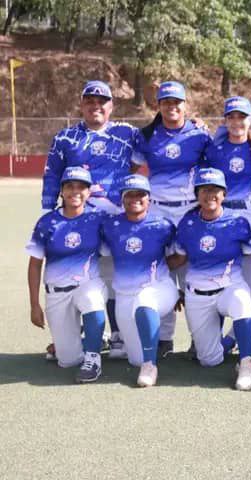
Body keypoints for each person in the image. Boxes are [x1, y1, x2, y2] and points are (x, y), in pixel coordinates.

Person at [41, 80, 138, 360]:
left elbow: (161, 134)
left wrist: (197, 124)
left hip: (116, 218)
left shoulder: (127, 133)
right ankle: (74, 336)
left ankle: (118, 335)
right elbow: (51, 175)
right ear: (81, 105)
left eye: (102, 101)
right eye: (90, 101)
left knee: (113, 276)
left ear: (111, 106)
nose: (96, 106)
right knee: (75, 275)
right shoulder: (65, 138)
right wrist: (50, 214)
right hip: (76, 220)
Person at [132, 81, 212, 357]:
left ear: (185, 105)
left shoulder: (199, 135)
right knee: (161, 271)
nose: (172, 106)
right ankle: (164, 338)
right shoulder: (147, 135)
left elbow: (213, 167)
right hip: (158, 211)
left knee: (193, 275)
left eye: (176, 102)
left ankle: (197, 338)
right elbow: (133, 170)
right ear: (159, 105)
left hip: (190, 210)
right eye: (166, 102)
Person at [171, 168, 251, 390]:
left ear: (224, 194)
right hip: (198, 294)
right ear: (197, 194)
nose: (210, 195)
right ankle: (232, 340)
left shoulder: (238, 222)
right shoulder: (187, 223)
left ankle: (247, 362)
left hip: (229, 287)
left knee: (243, 301)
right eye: (204, 190)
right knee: (209, 360)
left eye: (215, 190)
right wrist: (155, 276)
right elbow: (179, 259)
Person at [203, 96, 251, 352]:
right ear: (225, 120)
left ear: (250, 119)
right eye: (231, 117)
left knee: (250, 280)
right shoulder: (215, 150)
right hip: (220, 216)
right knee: (220, 275)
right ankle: (215, 337)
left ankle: (247, 336)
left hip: (250, 214)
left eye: (241, 116)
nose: (236, 122)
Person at [27, 167, 108, 383]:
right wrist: (34, 305)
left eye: (81, 187)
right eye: (69, 186)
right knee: (68, 360)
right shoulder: (47, 222)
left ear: (89, 192)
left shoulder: (99, 219)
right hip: (57, 292)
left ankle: (93, 358)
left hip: (87, 284)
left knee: (92, 299)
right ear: (62, 191)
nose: (75, 191)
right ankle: (90, 338)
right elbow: (35, 265)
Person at [100, 174, 178, 387]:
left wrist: (174, 288)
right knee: (135, 358)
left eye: (140, 194)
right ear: (122, 199)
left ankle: (150, 366)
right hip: (125, 295)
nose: (135, 198)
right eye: (129, 194)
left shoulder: (163, 225)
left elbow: (180, 255)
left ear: (149, 199)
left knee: (145, 303)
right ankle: (143, 357)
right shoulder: (110, 226)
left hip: (157, 287)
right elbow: (100, 252)